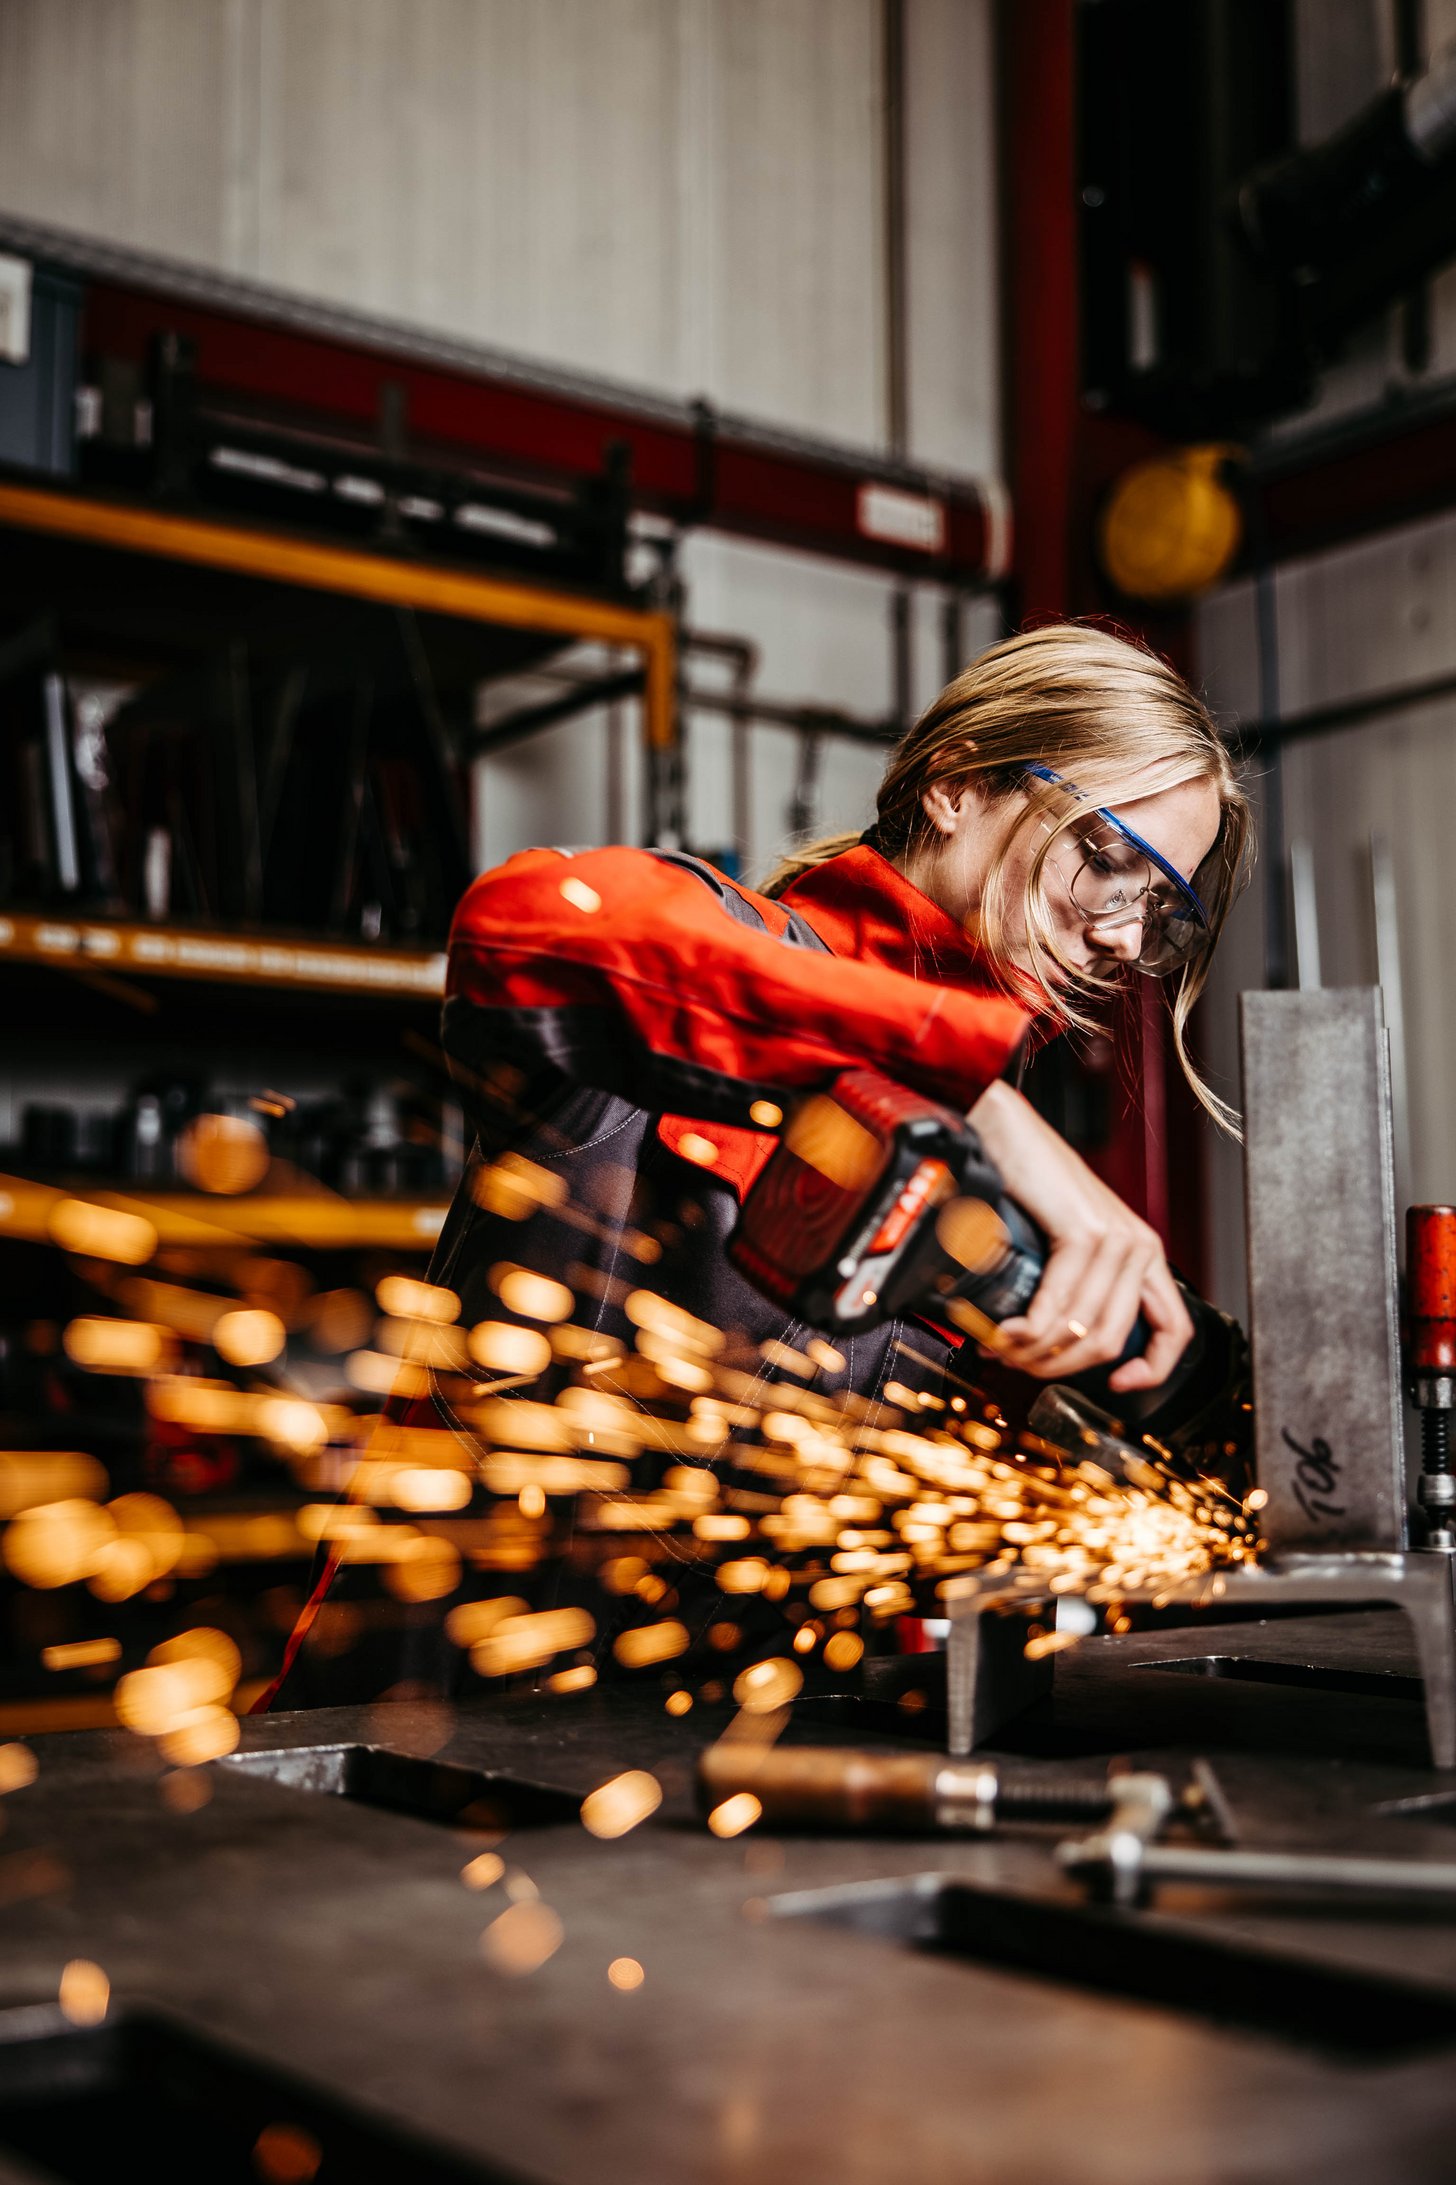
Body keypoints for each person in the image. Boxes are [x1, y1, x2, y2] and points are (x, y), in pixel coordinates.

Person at [262, 621, 1251, 1709]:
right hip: (420, 1738)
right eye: (1111, 860)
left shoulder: (1014, 1188)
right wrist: (967, 1089)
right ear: (958, 786)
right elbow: (524, 928)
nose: (1122, 936)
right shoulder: (720, 956)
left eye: (1161, 907)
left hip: (706, 1790)